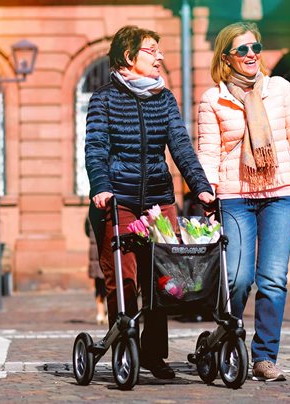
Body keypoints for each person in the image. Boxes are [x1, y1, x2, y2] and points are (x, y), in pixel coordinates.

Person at [196, 21, 290, 382]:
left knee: (273, 279)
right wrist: (207, 193)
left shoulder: (281, 90)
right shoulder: (213, 99)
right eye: (242, 50)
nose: (251, 55)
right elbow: (209, 153)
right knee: (238, 278)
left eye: (255, 47)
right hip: (235, 197)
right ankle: (224, 336)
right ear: (227, 57)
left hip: (280, 194)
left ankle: (263, 357)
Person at [85, 25, 215, 380]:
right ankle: (125, 347)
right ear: (129, 57)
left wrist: (200, 186)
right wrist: (101, 185)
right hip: (118, 201)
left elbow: (181, 146)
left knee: (163, 279)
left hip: (158, 199)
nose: (160, 57)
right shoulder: (104, 99)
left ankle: (154, 355)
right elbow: (95, 149)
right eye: (152, 50)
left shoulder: (164, 98)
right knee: (124, 281)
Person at [85, 215, 107, 325]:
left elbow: (86, 231)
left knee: (99, 285)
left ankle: (100, 313)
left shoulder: (91, 214)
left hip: (95, 253)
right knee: (112, 284)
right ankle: (108, 313)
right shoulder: (110, 212)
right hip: (106, 252)